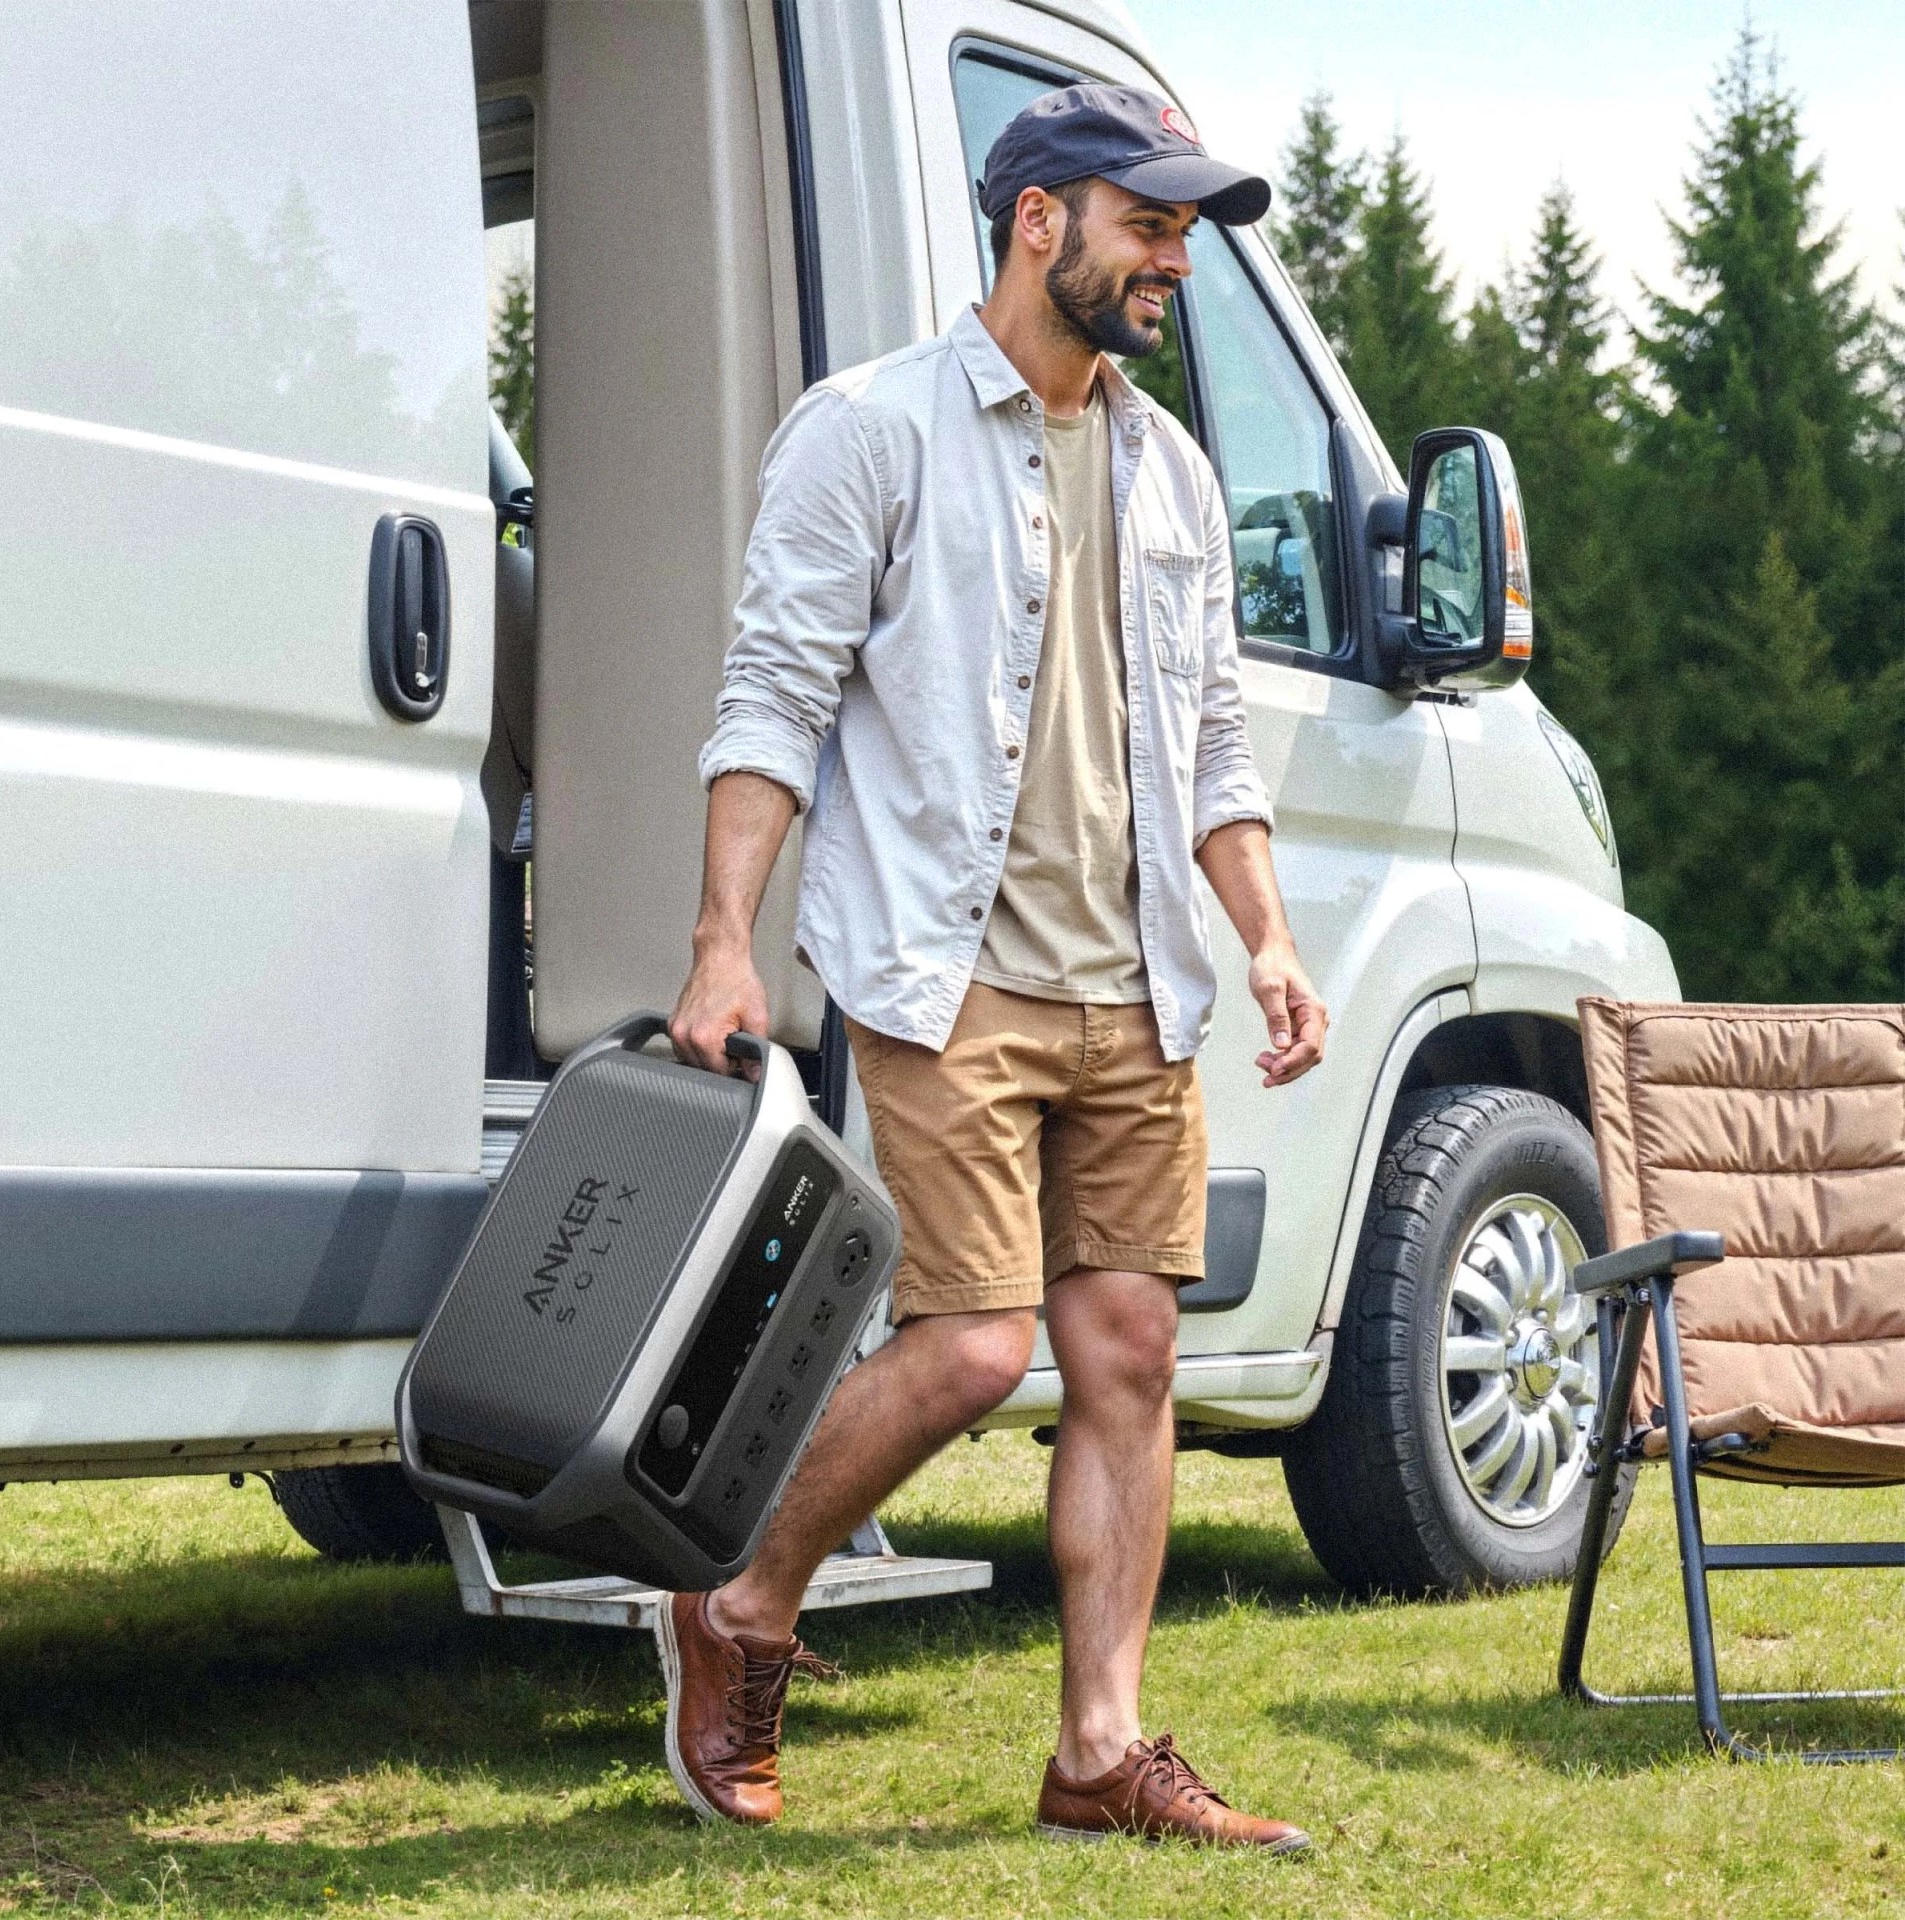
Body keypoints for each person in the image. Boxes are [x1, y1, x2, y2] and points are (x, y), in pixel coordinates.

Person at [660, 84, 1328, 1850]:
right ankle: (736, 1604)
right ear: (1043, 222)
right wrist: (724, 939)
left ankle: (1101, 1753)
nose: (1175, 258)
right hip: (944, 977)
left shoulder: (1170, 468)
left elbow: (1212, 753)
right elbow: (774, 698)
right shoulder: (867, 431)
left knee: (1126, 1351)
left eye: (1186, 230)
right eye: (1150, 223)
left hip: (1135, 986)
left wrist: (1262, 936)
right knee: (966, 1351)